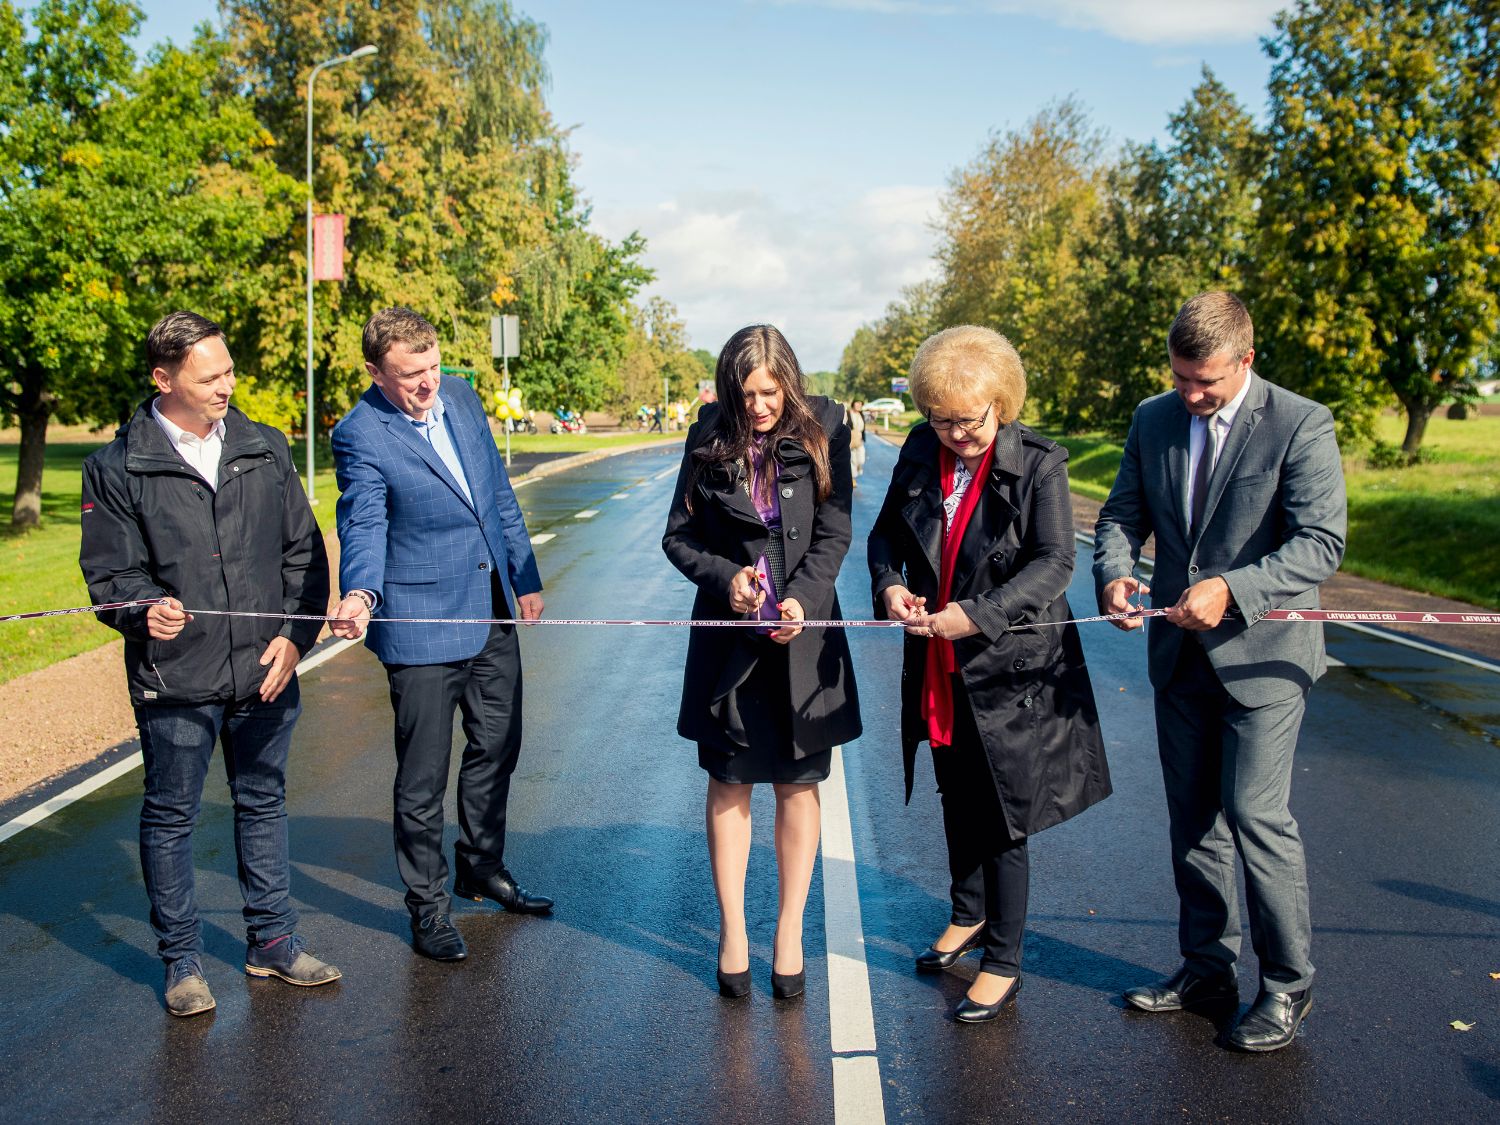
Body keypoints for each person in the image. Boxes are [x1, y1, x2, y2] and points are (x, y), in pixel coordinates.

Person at [1093, 291, 1346, 1052]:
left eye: (1205, 382)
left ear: (1247, 358)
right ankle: (1207, 967)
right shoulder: (1153, 418)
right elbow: (1119, 516)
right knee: (1194, 820)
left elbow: (1321, 542)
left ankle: (1287, 985)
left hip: (1266, 658)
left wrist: (1234, 587)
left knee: (1254, 814)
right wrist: (1111, 574)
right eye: (1180, 379)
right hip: (1178, 655)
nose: (1190, 395)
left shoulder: (1303, 423)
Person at [79, 311, 339, 1017]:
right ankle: (182, 961)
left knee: (263, 801)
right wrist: (140, 610)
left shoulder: (264, 446)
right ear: (164, 379)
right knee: (171, 817)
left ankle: (273, 941)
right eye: (210, 375)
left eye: (229, 370)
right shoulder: (115, 465)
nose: (227, 385)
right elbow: (110, 575)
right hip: (176, 678)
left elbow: (303, 555)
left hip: (266, 669)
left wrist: (294, 638)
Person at [867, 325, 1111, 1024]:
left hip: (1011, 670)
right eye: (940, 419)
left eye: (968, 420)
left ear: (1000, 401)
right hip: (938, 659)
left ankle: (1003, 960)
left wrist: (975, 614)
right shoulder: (921, 449)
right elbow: (885, 534)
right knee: (954, 791)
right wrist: (890, 586)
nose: (955, 434)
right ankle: (966, 913)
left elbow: (1055, 564)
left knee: (1004, 814)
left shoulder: (1042, 463)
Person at [329, 307, 552, 964]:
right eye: (410, 375)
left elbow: (496, 492)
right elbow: (363, 523)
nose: (427, 384)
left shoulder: (460, 395)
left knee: (498, 745)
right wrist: (361, 592)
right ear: (375, 371)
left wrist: (524, 572)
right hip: (420, 622)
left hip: (490, 609)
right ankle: (427, 907)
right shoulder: (360, 434)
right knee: (423, 774)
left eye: (431, 367)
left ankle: (480, 866)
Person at [663, 324, 862, 1000]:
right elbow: (678, 535)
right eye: (746, 393)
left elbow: (836, 530)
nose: (758, 407)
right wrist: (728, 582)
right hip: (731, 645)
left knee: (798, 785)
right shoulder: (706, 435)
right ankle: (732, 931)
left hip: (803, 641)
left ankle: (788, 930)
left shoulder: (825, 429)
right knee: (729, 784)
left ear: (791, 384)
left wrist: (803, 601)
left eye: (770, 392)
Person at [847, 400, 867, 487]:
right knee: (853, 459)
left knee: (861, 459)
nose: (859, 405)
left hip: (859, 440)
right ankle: (852, 478)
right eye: (857, 403)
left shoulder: (861, 414)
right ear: (853, 404)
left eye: (860, 404)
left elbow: (864, 427)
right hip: (850, 440)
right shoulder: (847, 413)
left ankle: (857, 469)